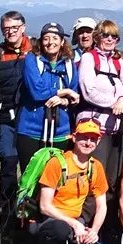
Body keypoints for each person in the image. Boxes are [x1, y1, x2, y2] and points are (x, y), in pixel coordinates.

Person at [75, 19, 123, 243]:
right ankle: (82, 226)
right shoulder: (90, 59)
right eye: (106, 35)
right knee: (92, 178)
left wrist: (122, 99)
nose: (110, 40)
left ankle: (101, 229)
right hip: (93, 127)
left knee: (109, 180)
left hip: (114, 128)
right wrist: (114, 103)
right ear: (98, 36)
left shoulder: (119, 63)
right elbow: (88, 90)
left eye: (114, 37)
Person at [33, 120, 111, 244]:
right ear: (74, 138)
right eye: (84, 137)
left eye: (93, 139)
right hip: (51, 221)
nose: (88, 142)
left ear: (98, 141)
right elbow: (44, 206)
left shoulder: (95, 167)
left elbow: (102, 205)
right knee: (60, 228)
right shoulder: (57, 163)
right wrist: (74, 224)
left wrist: (93, 232)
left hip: (77, 223)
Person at [0, 11, 35, 203]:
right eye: (6, 29)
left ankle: (30, 208)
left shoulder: (35, 49)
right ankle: (6, 206)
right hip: (6, 118)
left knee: (32, 164)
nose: (10, 32)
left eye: (14, 28)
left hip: (31, 117)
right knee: (9, 161)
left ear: (23, 28)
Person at [16, 23, 80, 171]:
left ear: (62, 41)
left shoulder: (69, 64)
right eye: (46, 38)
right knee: (31, 177)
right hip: (31, 131)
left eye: (55, 38)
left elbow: (75, 96)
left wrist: (64, 99)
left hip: (61, 130)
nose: (51, 42)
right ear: (41, 41)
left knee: (56, 178)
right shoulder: (32, 60)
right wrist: (63, 92)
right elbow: (37, 92)